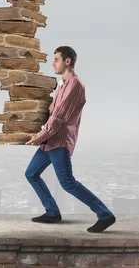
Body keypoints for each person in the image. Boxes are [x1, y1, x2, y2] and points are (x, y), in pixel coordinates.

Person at [24, 46, 116, 233]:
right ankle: (52, 212)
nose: (53, 63)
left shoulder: (75, 85)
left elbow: (59, 118)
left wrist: (39, 137)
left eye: (56, 59)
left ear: (67, 61)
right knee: (31, 173)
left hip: (59, 142)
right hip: (49, 141)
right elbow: (52, 113)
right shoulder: (63, 84)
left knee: (67, 182)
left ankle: (105, 215)